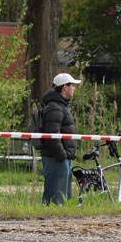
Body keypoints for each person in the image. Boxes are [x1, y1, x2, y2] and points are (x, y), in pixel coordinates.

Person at [36, 72, 80, 204]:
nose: (74, 88)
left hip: (61, 158)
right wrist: (63, 156)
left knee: (62, 199)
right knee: (56, 201)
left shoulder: (61, 106)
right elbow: (52, 136)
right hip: (56, 158)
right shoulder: (55, 107)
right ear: (64, 87)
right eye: (72, 85)